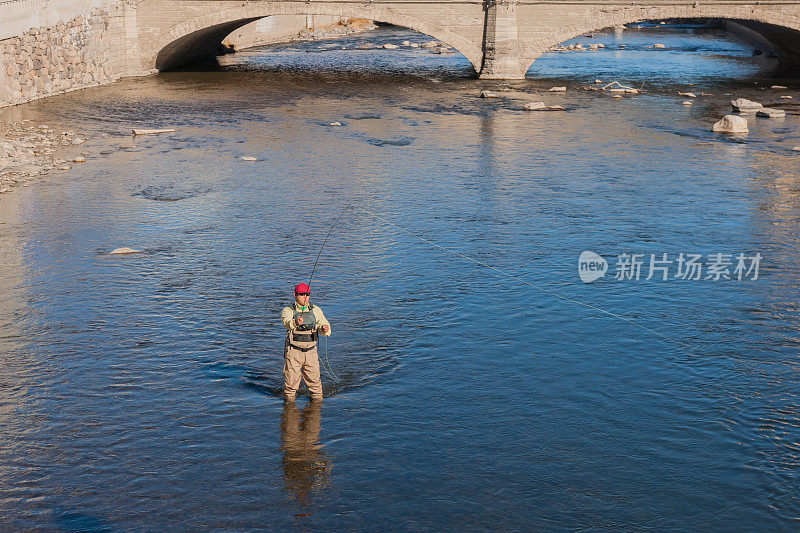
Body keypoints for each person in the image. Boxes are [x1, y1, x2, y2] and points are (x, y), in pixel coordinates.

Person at [280, 282, 331, 402]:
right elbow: (286, 323)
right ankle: (289, 413)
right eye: (301, 294)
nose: (305, 297)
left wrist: (325, 329)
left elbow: (325, 324)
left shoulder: (316, 310)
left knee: (316, 386)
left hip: (311, 353)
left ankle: (316, 411)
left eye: (307, 294)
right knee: (290, 387)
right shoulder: (288, 311)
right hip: (293, 352)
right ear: (295, 295)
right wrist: (295, 323)